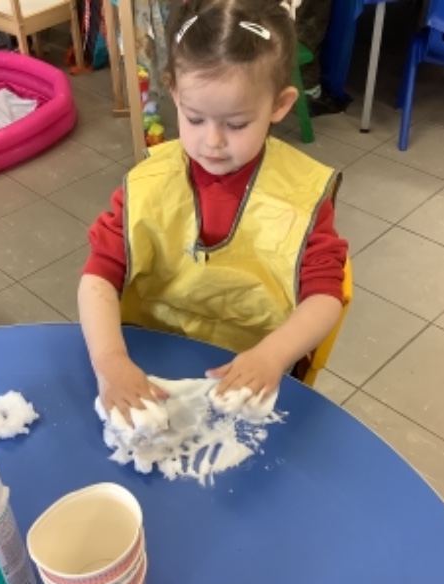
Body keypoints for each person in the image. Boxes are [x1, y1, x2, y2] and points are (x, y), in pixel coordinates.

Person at [78, 0, 349, 420]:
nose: (213, 142)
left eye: (236, 124)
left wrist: (272, 355)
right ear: (174, 91)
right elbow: (98, 276)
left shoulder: (301, 195)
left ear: (279, 105)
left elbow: (324, 296)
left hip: (245, 373)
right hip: (149, 362)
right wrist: (110, 361)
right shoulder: (149, 183)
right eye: (194, 118)